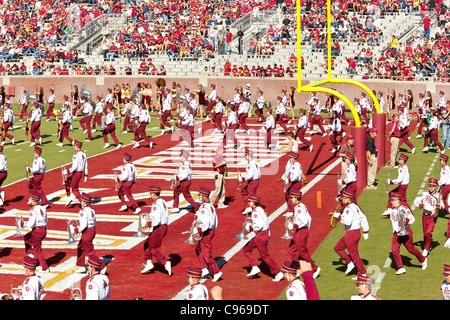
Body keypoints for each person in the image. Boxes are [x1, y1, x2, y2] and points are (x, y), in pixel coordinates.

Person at [242, 194, 283, 281]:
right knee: (246, 248)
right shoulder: (260, 209)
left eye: (250, 201)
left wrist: (249, 227)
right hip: (263, 234)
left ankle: (278, 272)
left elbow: (259, 226)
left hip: (260, 235)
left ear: (253, 202)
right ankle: (254, 267)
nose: (248, 203)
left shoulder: (256, 212)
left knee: (265, 256)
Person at [386, 191, 427, 275]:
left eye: (393, 200)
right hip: (396, 233)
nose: (391, 202)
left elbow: (412, 219)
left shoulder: (404, 209)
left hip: (406, 231)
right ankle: (400, 267)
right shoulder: (393, 210)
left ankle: (423, 259)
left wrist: (404, 221)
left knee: (411, 249)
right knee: (394, 249)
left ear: (398, 200)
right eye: (391, 200)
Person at [333, 189, 369, 278]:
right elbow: (363, 217)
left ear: (348, 199)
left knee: (354, 254)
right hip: (354, 232)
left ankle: (362, 273)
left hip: (351, 234)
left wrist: (339, 218)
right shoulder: (355, 206)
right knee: (338, 247)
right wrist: (365, 230)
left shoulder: (349, 209)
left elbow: (347, 222)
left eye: (344, 198)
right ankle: (350, 263)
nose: (342, 200)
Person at [286, 190, 320, 278]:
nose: (291, 199)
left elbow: (304, 221)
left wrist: (294, 226)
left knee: (302, 253)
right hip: (301, 231)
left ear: (296, 198)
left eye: (292, 198)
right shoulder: (300, 206)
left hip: (301, 231)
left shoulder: (299, 208)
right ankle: (295, 269)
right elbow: (309, 218)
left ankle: (315, 268)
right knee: (291, 249)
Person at [193, 186, 223, 282]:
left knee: (206, 253)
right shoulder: (209, 206)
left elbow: (206, 224)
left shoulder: (204, 208)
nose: (198, 196)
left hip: (206, 232)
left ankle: (216, 272)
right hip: (209, 231)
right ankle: (204, 268)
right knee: (198, 249)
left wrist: (198, 230)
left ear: (203, 196)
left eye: (199, 195)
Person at [141, 185, 171, 275]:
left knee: (153, 248)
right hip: (162, 226)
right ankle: (149, 263)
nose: (150, 195)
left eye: (151, 193)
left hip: (159, 227)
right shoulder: (162, 201)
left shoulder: (156, 205)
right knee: (147, 244)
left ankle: (165, 262)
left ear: (153, 194)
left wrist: (147, 224)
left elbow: (157, 220)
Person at [413, 178, 443, 257]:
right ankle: (428, 246)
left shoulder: (438, 195)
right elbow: (416, 201)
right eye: (430, 185)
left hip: (433, 216)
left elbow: (442, 206)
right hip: (424, 215)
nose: (431, 187)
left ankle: (425, 249)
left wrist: (438, 207)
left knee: (428, 232)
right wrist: (422, 205)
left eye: (433, 186)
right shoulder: (424, 193)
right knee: (425, 234)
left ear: (436, 186)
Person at [22, 190, 50, 272]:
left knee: (38, 249)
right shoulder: (43, 208)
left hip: (37, 230)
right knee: (27, 237)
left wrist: (23, 224)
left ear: (33, 200)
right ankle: (30, 254)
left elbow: (31, 223)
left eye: (30, 198)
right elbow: (46, 220)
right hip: (43, 229)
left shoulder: (33, 210)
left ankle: (45, 267)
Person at [73, 192, 101, 273]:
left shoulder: (83, 211)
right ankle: (81, 265)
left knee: (89, 251)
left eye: (81, 200)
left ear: (84, 202)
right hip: (92, 230)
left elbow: (84, 224)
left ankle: (101, 267)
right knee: (80, 247)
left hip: (87, 231)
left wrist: (77, 230)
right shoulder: (92, 210)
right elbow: (94, 222)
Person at [64, 140, 88, 206]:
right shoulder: (83, 153)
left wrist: (67, 171)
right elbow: (86, 165)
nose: (73, 147)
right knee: (67, 182)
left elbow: (74, 167)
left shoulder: (76, 155)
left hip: (77, 172)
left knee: (75, 189)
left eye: (74, 145)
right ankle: (68, 197)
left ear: (77, 146)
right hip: (80, 172)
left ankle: (82, 202)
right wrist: (85, 174)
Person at [240, 148, 261, 214]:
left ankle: (257, 210)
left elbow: (250, 175)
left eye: (245, 155)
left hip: (252, 182)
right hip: (255, 181)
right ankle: (249, 207)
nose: (245, 157)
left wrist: (243, 179)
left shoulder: (250, 165)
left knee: (253, 197)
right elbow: (259, 173)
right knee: (244, 192)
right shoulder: (255, 163)